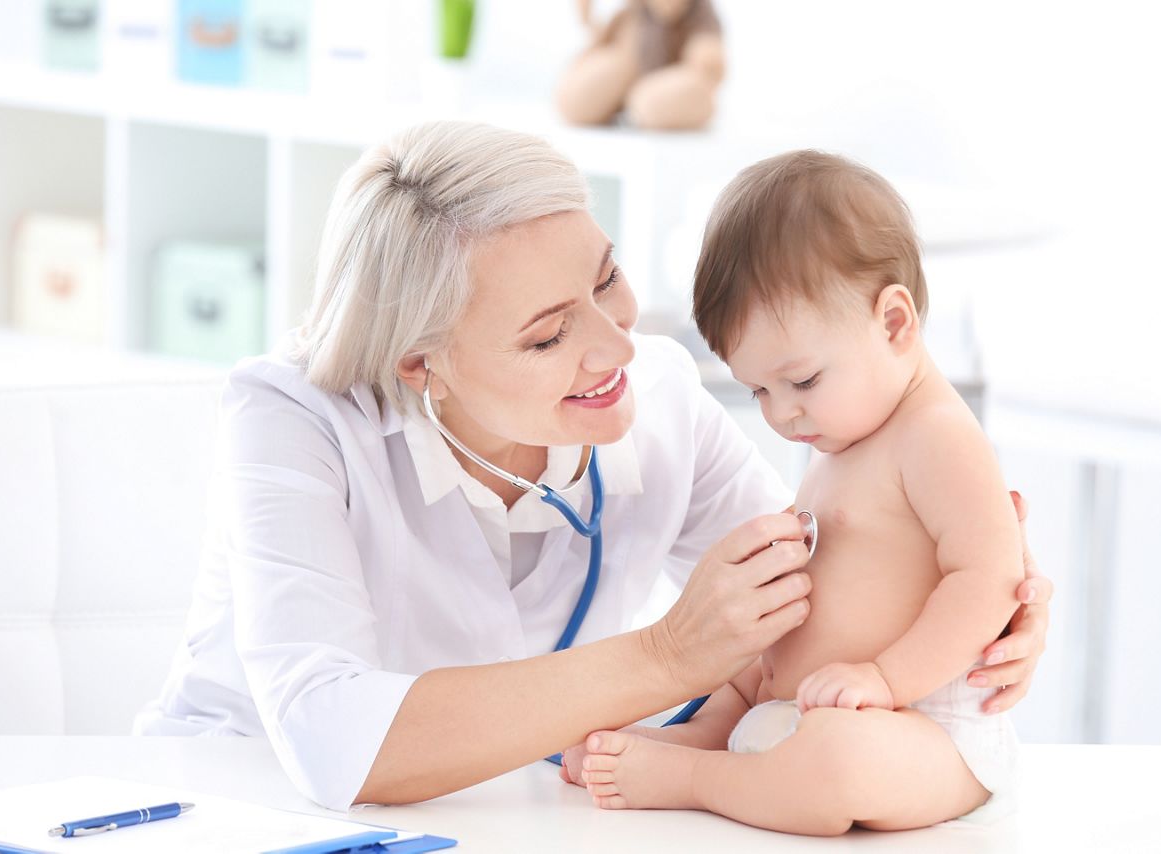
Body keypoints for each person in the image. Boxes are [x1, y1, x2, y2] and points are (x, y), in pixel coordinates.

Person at [135, 121, 1052, 813]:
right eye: (547, 334)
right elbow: (334, 739)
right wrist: (666, 656)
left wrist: (972, 597)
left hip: (517, 818)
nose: (619, 344)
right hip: (237, 807)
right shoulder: (292, 419)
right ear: (422, 366)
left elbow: (806, 600)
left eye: (606, 278)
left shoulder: (657, 393)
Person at [562, 150, 1033, 833]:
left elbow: (988, 579)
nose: (782, 415)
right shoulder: (848, 433)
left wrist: (885, 681)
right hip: (797, 711)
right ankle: (707, 739)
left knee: (838, 762)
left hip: (924, 732)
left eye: (803, 381)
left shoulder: (936, 434)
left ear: (894, 323)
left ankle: (696, 775)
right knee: (742, 671)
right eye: (760, 391)